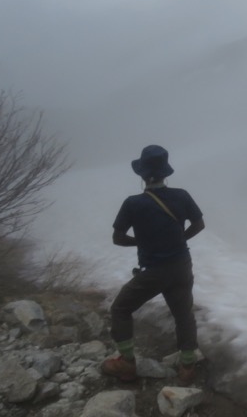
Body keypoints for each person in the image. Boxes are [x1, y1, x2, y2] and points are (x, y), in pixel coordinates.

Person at [101, 144, 206, 384]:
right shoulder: (181, 196)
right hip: (181, 265)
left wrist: (141, 243)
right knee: (183, 314)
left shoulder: (133, 203)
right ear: (165, 173)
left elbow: (117, 238)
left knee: (121, 309)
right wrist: (180, 240)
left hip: (154, 271)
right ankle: (187, 366)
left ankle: (127, 364)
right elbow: (199, 224)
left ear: (142, 175)